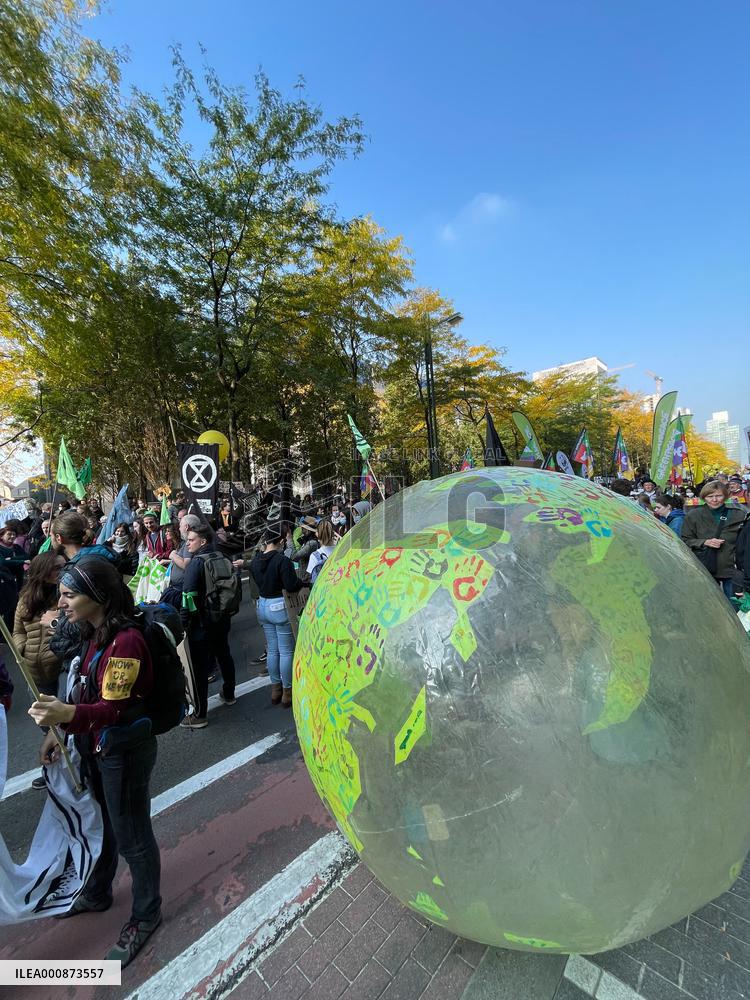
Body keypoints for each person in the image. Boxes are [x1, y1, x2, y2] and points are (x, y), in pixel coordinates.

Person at [28, 559, 162, 966]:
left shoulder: (127, 644)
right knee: (104, 825)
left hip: (122, 752)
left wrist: (65, 717)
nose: (61, 602)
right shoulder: (92, 632)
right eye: (61, 594)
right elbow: (82, 688)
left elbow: (111, 711)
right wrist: (60, 731)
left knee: (133, 836)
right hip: (96, 749)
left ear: (98, 598)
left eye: (69, 595)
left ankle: (146, 913)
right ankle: (99, 890)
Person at [13, 551, 66, 789]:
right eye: (56, 568)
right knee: (45, 720)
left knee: (68, 716)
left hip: (61, 666)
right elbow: (17, 631)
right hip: (32, 668)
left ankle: (70, 765)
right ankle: (55, 765)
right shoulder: (26, 599)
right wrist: (22, 650)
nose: (60, 572)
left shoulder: (66, 593)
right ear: (43, 571)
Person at [180, 524, 237, 727]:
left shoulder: (195, 564)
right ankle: (229, 693)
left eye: (191, 540)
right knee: (224, 655)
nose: (187, 543)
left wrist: (184, 624)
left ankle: (200, 714)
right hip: (222, 617)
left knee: (200, 669)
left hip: (201, 624)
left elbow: (188, 597)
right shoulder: (223, 557)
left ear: (202, 541)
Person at [249, 527, 305, 707]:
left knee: (272, 650)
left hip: (262, 605)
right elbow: (291, 585)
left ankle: (275, 689)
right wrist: (302, 582)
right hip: (279, 606)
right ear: (280, 541)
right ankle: (287, 692)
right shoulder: (282, 561)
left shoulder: (256, 560)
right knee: (286, 651)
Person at [681, 481, 747, 599]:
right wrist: (705, 542)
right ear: (704, 497)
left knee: (734, 606)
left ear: (725, 496)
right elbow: (685, 540)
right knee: (708, 605)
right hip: (705, 566)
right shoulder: (693, 515)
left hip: (731, 567)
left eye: (719, 496)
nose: (714, 500)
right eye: (710, 496)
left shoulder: (739, 514)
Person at [307, 519, 337, 583]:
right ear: (333, 533)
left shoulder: (314, 556)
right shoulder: (341, 551)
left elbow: (313, 580)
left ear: (317, 534)